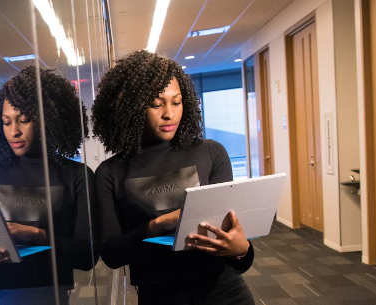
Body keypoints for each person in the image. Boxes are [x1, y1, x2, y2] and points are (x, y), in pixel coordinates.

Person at [89, 50, 256, 305]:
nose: (169, 113)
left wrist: (241, 250)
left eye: (176, 102)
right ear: (132, 109)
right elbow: (111, 254)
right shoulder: (110, 172)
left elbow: (235, 246)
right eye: (157, 104)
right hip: (159, 295)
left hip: (224, 291)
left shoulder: (211, 152)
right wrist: (155, 226)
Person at [0, 66, 94, 305]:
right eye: (6, 122)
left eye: (24, 120)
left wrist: (35, 234)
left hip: (51, 295)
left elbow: (86, 257)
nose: (14, 132)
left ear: (47, 120)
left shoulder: (75, 175)